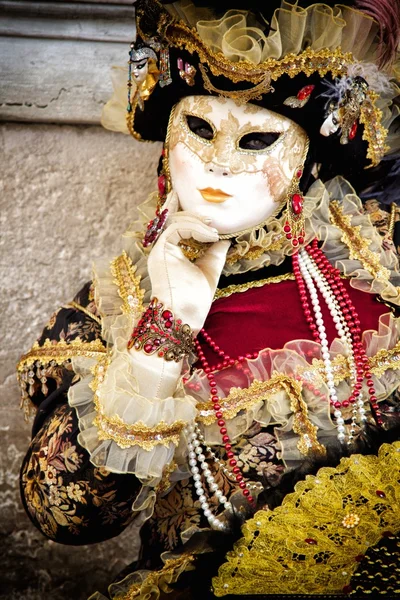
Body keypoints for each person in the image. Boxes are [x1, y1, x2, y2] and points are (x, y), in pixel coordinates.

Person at [17, 1, 400, 598]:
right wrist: (163, 337)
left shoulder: (378, 255)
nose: (220, 160)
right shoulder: (111, 305)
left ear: (307, 154)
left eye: (257, 137)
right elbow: (61, 513)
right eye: (200, 127)